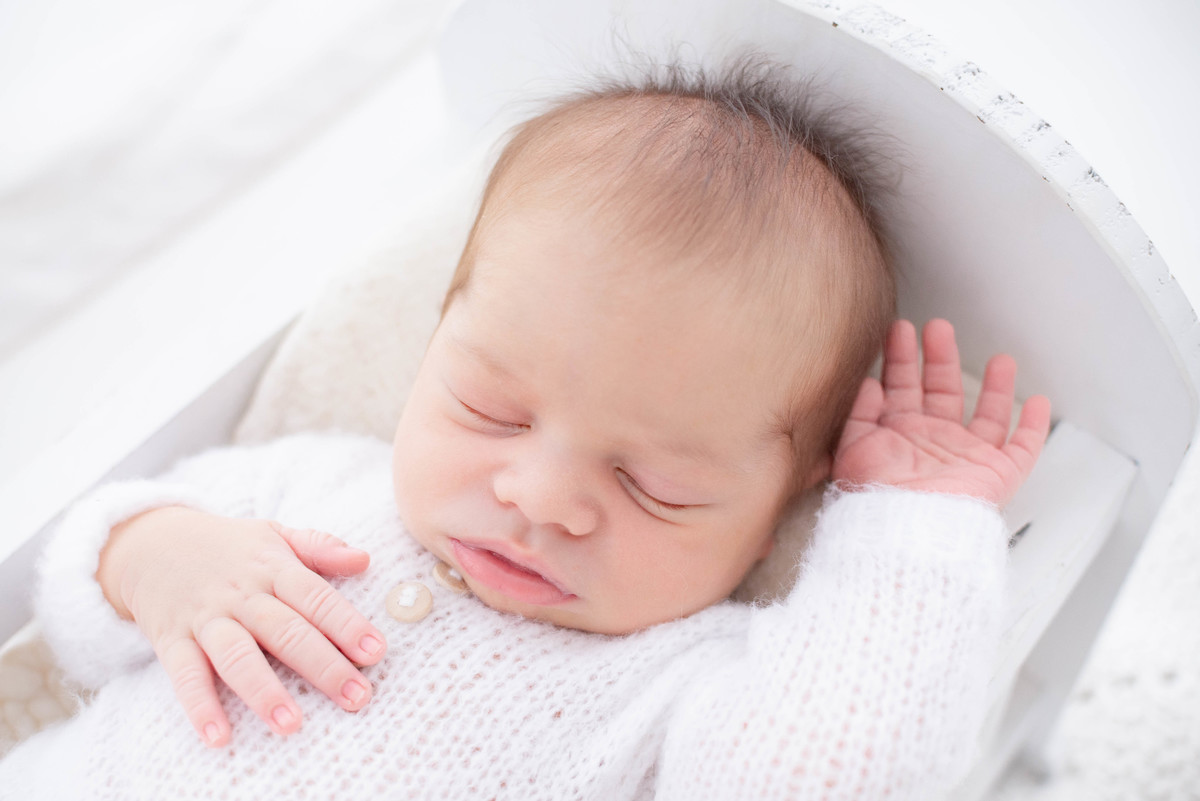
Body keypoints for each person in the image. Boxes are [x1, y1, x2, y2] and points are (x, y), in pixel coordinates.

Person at [0, 57, 1050, 800]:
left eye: (656, 486)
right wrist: (158, 559)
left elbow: (833, 774)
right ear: (435, 343)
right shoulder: (314, 493)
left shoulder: (682, 686)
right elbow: (79, 623)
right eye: (491, 410)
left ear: (780, 516)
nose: (538, 499)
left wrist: (906, 526)